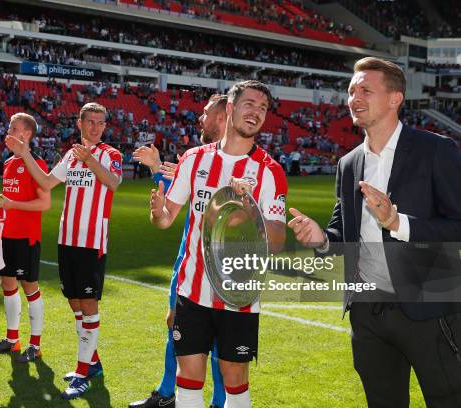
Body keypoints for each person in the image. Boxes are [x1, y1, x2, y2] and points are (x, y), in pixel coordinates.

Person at [288, 57, 461, 407]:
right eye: (351, 91)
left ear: (395, 98)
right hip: (367, 310)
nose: (354, 98)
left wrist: (398, 223)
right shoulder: (349, 163)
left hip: (429, 307)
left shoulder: (436, 150)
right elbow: (342, 234)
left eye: (365, 89)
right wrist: (320, 238)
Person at [150, 80, 287, 408]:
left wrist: (247, 211)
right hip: (192, 292)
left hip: (238, 297)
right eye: (249, 104)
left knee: (235, 380)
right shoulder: (194, 159)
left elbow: (279, 241)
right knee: (189, 378)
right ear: (230, 108)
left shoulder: (269, 172)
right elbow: (167, 218)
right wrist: (157, 213)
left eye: (263, 108)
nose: (255, 112)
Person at [5, 102, 122, 400]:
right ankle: (92, 362)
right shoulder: (71, 155)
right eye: (90, 122)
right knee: (74, 302)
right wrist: (25, 154)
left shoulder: (110, 155)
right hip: (67, 239)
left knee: (88, 303)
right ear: (80, 124)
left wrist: (91, 161)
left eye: (100, 122)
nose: (95, 127)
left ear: (104, 127)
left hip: (91, 241)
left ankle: (82, 372)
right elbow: (45, 182)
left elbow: (113, 183)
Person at [129, 94, 228, 408]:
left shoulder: (243, 165)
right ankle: (167, 393)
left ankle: (219, 401)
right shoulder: (195, 157)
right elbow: (174, 201)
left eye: (206, 112)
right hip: (188, 265)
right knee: (176, 327)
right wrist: (158, 169)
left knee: (218, 338)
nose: (200, 117)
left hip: (222, 269)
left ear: (223, 118)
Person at [0, 113, 49, 363]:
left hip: (26, 235)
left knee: (29, 287)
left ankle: (34, 345)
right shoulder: (8, 163)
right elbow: (7, 197)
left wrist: (12, 204)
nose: (8, 130)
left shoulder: (37, 164)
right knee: (7, 283)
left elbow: (43, 203)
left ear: (25, 134)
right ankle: (12, 339)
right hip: (7, 234)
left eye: (13, 127)